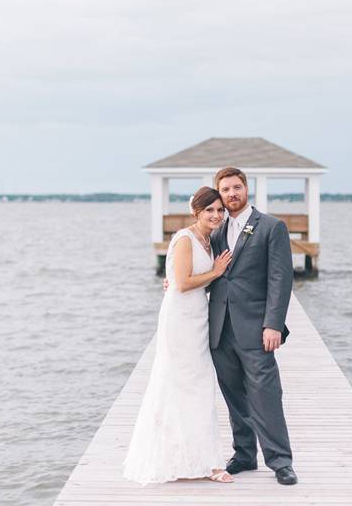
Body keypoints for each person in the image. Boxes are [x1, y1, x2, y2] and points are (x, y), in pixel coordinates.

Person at [123, 186, 234, 484]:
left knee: (199, 386)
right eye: (209, 210)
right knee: (180, 383)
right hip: (179, 319)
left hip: (199, 317)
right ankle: (190, 460)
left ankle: (204, 459)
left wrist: (210, 275)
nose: (216, 215)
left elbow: (186, 281)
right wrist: (217, 272)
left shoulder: (209, 240)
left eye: (219, 210)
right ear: (196, 211)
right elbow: (183, 283)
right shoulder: (185, 239)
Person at [207, 166, 297, 485]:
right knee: (234, 396)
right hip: (220, 328)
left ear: (246, 188)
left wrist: (273, 323)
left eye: (236, 187)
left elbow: (280, 278)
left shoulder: (271, 227)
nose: (231, 194)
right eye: (225, 190)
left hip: (257, 327)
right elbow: (210, 274)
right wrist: (173, 281)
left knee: (266, 394)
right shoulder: (215, 232)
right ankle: (244, 454)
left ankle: (281, 461)